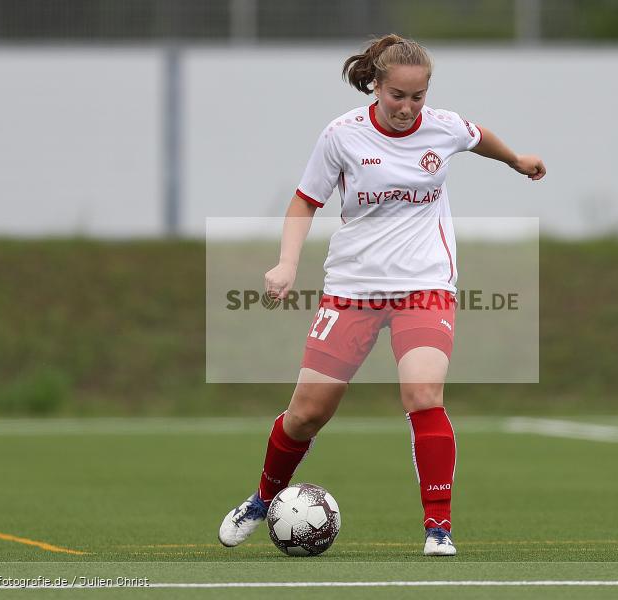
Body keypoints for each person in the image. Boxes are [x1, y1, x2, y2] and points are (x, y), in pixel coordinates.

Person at [218, 34, 545, 556]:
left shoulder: (442, 127)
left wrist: (515, 160)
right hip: (353, 288)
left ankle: (438, 528)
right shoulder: (341, 136)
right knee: (306, 414)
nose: (407, 107)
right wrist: (286, 263)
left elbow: (477, 136)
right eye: (397, 95)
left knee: (423, 394)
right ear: (375, 85)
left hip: (425, 283)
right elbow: (305, 202)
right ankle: (261, 500)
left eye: (418, 97)